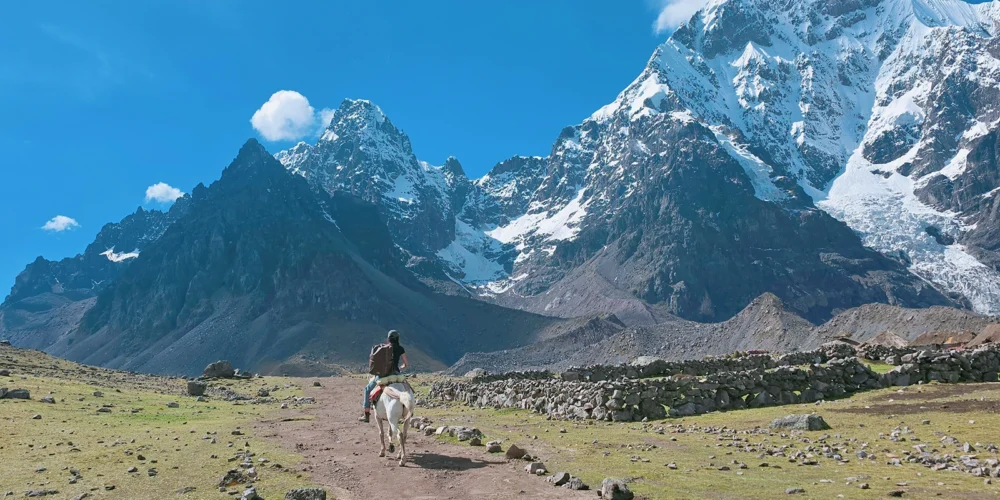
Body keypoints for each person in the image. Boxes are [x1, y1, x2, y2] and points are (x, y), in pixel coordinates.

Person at [360, 330, 408, 423]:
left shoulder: (385, 348)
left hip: (383, 375)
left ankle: (366, 414)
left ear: (389, 338)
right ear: (397, 338)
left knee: (367, 389)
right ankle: (409, 410)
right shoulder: (401, 348)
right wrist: (400, 368)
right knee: (407, 388)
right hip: (396, 374)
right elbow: (406, 364)